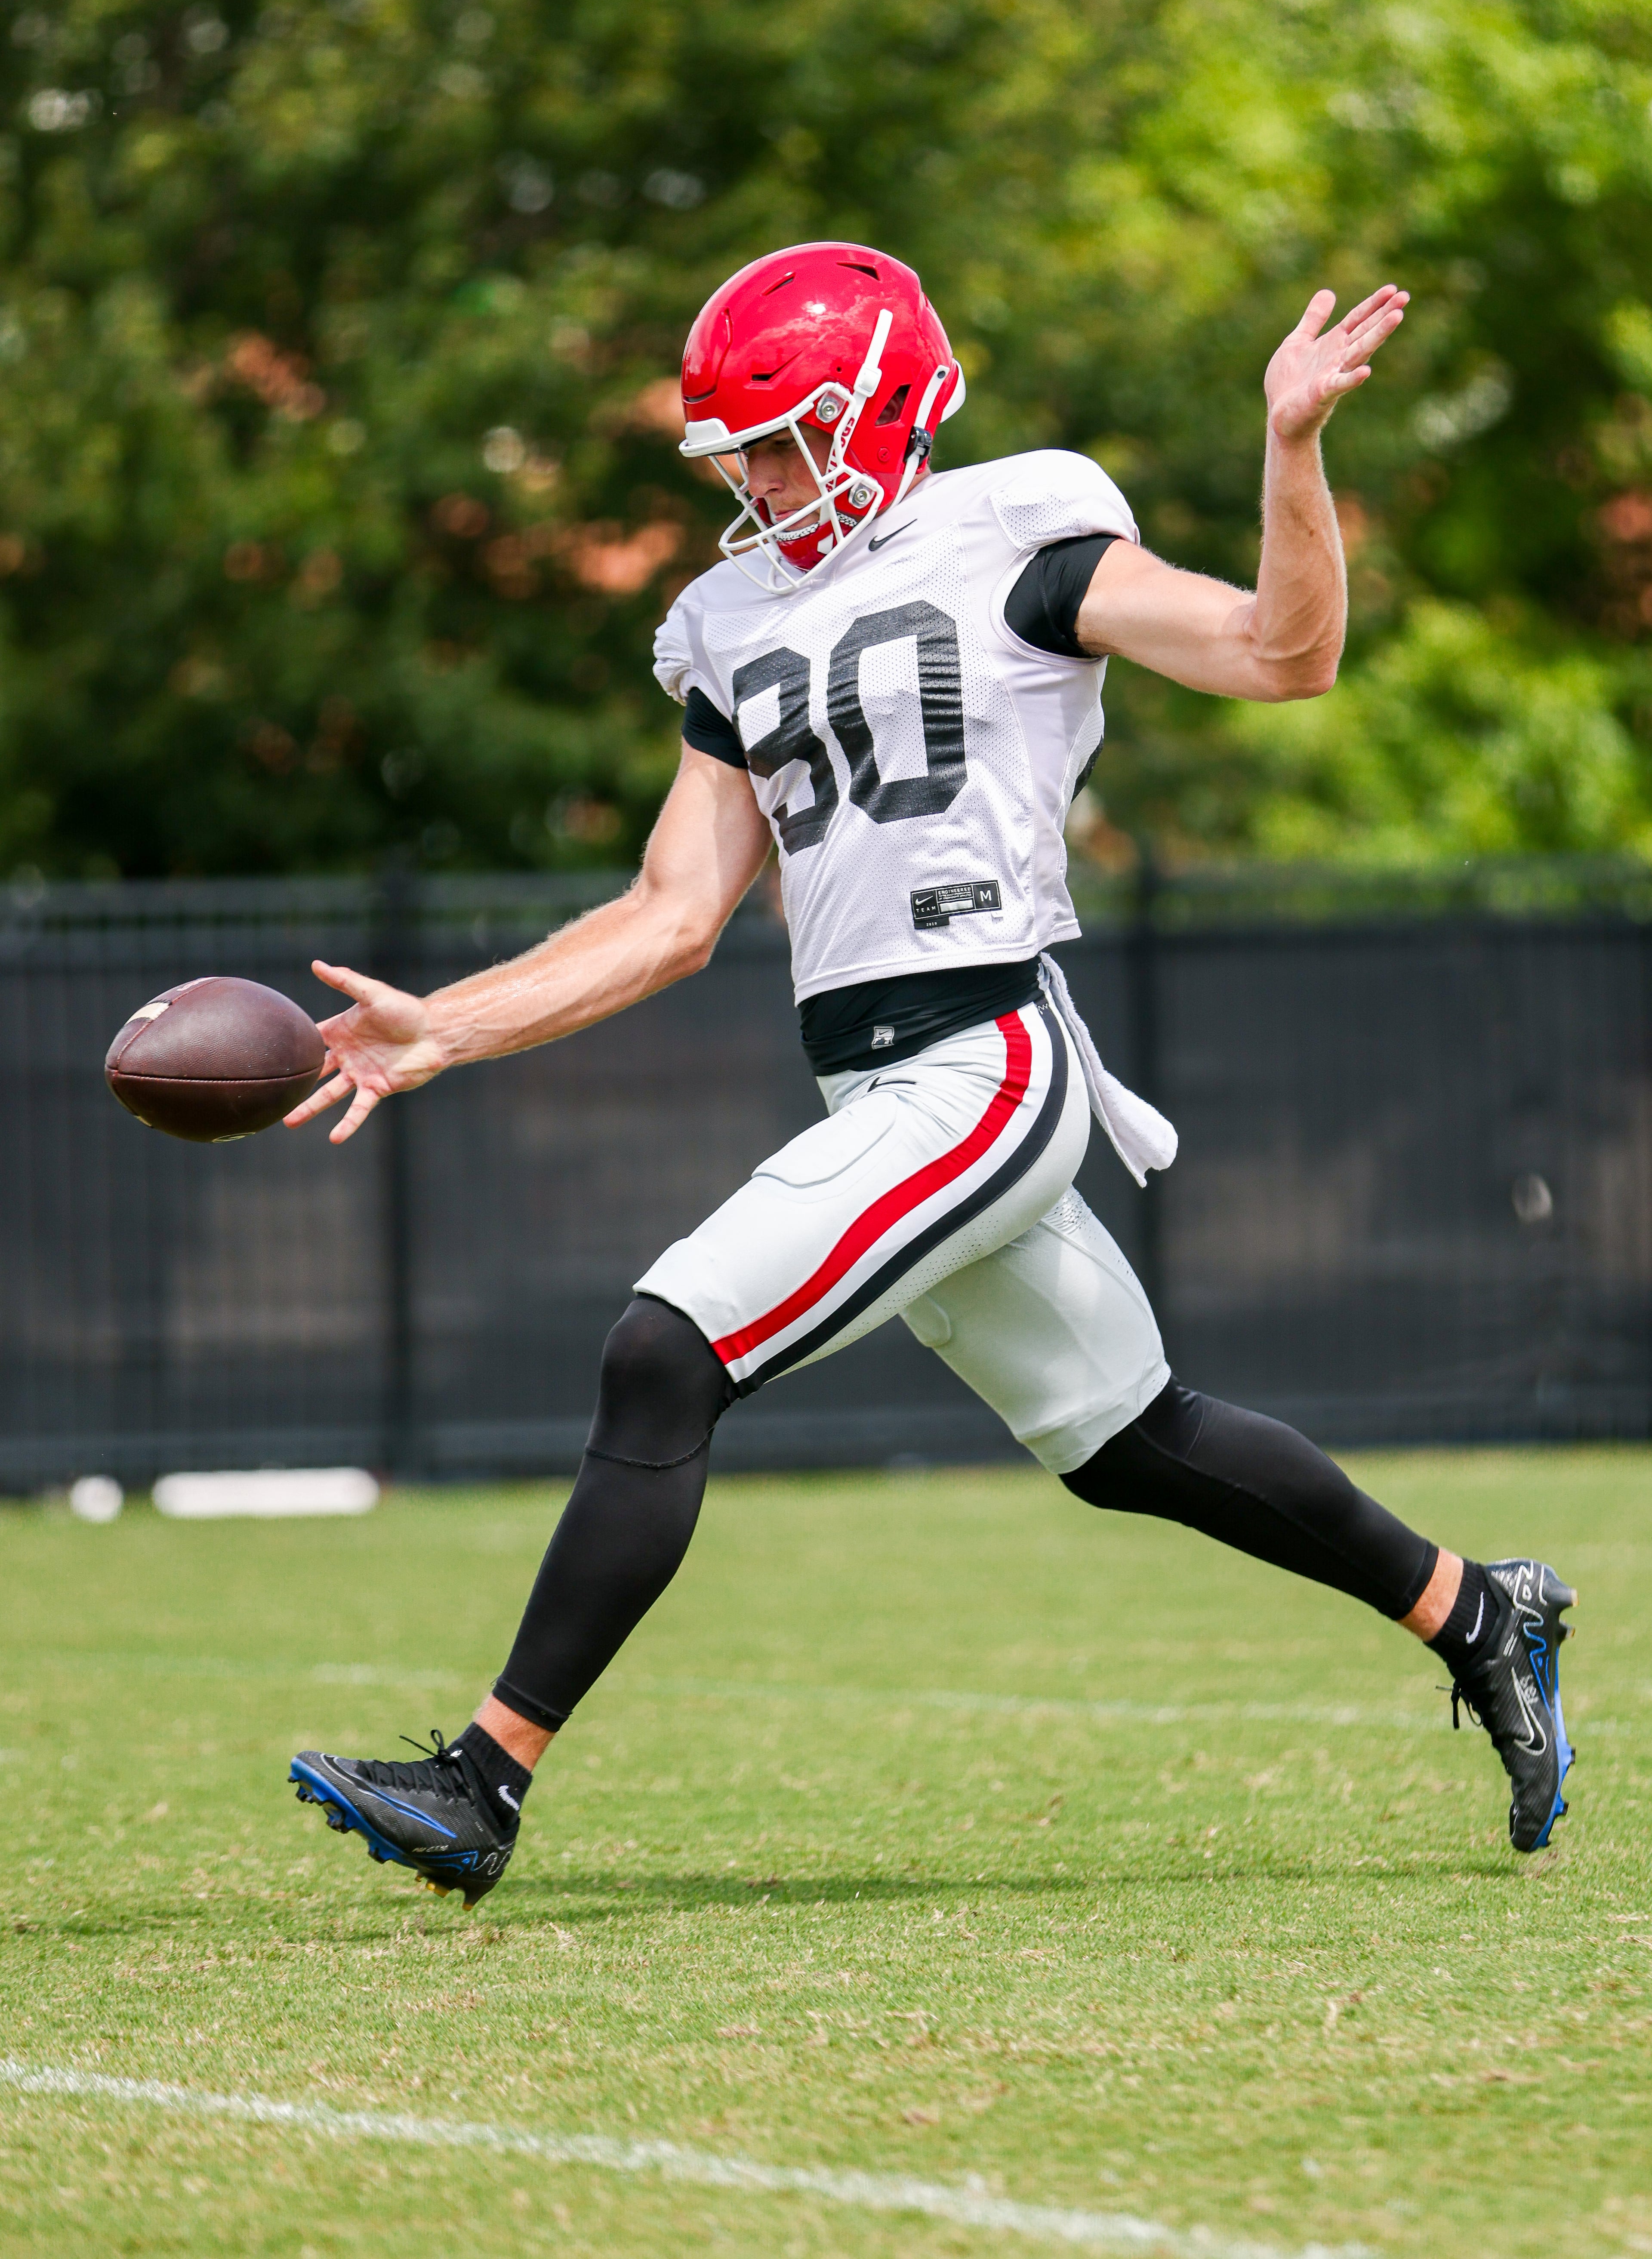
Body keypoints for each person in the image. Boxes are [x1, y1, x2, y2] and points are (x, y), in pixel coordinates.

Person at [286, 243, 1574, 1909]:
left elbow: (1282, 652)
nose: (757, 484)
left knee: (663, 1351)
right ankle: (1481, 1613)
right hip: (876, 1091)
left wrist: (1291, 448)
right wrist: (444, 1024)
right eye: (739, 455)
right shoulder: (731, 621)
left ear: (883, 411)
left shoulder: (1016, 535)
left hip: (987, 1063)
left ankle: (483, 1782)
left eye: (782, 442)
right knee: (1132, 1439)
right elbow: (673, 915)